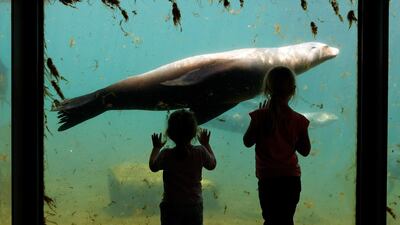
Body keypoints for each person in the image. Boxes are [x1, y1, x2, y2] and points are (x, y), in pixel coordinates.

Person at [243, 66, 311, 225]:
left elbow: (247, 142)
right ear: (293, 90)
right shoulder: (299, 120)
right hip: (290, 179)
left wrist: (259, 122)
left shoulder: (259, 116)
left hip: (268, 179)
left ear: (267, 89)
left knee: (271, 219)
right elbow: (305, 151)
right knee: (287, 219)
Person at [149, 109, 217, 225]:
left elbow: (153, 166)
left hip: (171, 206)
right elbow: (212, 165)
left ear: (169, 133)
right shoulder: (200, 152)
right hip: (193, 206)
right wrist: (206, 144)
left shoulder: (166, 154)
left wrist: (156, 148)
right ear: (195, 132)